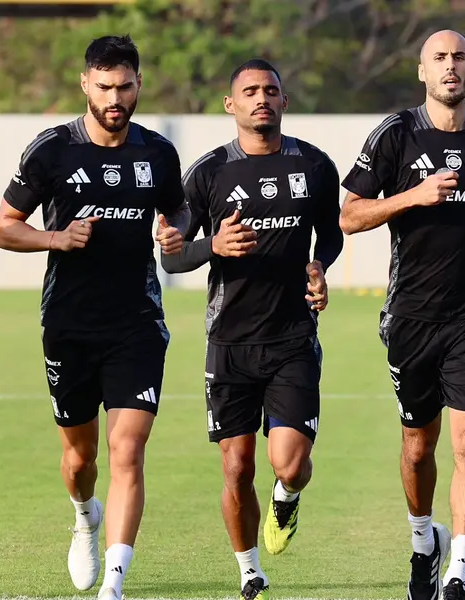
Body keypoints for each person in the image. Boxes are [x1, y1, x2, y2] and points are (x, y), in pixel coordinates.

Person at [0, 35, 189, 600]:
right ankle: (84, 516)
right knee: (80, 459)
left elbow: (177, 207)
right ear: (85, 85)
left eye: (125, 87)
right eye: (104, 87)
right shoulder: (51, 150)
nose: (115, 98)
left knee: (128, 448)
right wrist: (57, 236)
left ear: (138, 85)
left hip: (138, 324)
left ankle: (115, 585)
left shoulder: (157, 152)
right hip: (70, 324)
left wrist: (175, 228)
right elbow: (3, 228)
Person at [339, 29, 465, 600]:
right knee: (419, 446)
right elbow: (349, 216)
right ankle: (424, 542)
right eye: (438, 58)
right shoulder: (395, 134)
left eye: (459, 57)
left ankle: (459, 572)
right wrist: (410, 197)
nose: (449, 66)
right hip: (411, 317)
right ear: (422, 72)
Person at [160, 58, 343, 600]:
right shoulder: (209, 173)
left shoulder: (314, 166)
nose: (261, 98)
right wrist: (209, 246)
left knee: (288, 462)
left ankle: (287, 497)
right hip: (230, 344)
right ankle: (248, 569)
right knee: (237, 467)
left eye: (271, 90)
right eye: (250, 91)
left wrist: (320, 266)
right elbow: (172, 259)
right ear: (230, 105)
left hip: (292, 339)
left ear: (284, 101)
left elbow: (330, 235)